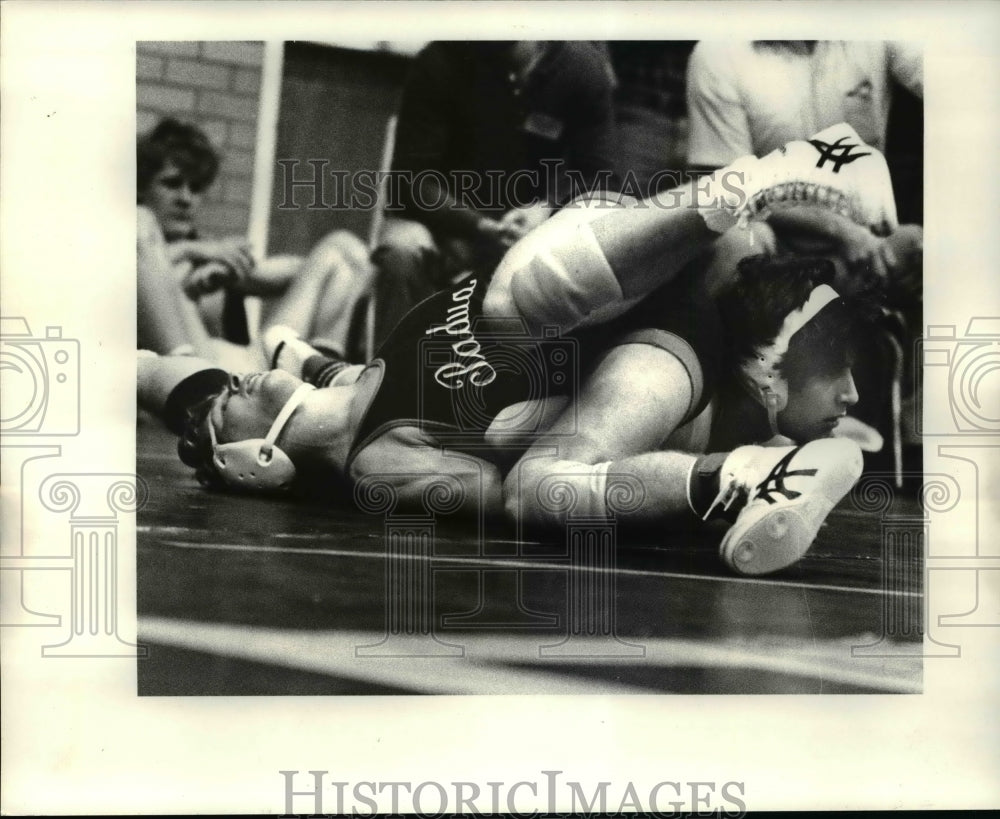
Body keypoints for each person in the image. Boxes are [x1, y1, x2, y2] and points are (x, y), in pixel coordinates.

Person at [139, 124, 891, 576]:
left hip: (629, 256)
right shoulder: (380, 458)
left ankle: (777, 170)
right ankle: (755, 474)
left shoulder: (354, 373)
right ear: (256, 459)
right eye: (234, 400)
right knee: (538, 484)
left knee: (508, 300)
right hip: (650, 344)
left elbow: (158, 370)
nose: (239, 381)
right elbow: (501, 499)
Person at [371, 41, 618, 347]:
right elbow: (411, 181)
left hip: (527, 237)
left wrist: (546, 209)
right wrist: (479, 226)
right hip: (445, 231)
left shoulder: (582, 70)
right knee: (401, 251)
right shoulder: (441, 59)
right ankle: (390, 379)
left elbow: (600, 178)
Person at [684, 40, 924, 298]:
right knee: (738, 242)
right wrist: (842, 231)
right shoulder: (720, 53)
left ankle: (886, 326)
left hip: (863, 249)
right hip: (775, 247)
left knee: (922, 246)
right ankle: (738, 334)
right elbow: (725, 189)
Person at [137, 118, 374, 370]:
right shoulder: (135, 238)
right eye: (172, 183)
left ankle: (325, 368)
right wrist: (192, 250)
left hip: (242, 369)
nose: (186, 198)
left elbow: (297, 271)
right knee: (139, 218)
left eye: (195, 188)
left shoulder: (209, 258)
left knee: (342, 247)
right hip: (188, 374)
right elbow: (132, 259)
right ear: (141, 186)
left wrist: (230, 272)